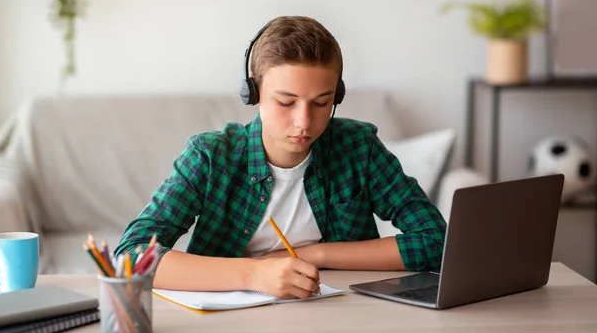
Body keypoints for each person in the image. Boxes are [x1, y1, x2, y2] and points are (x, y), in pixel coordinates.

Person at [114, 15, 446, 300]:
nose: (304, 122)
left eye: (321, 103)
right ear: (252, 94)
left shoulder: (359, 147)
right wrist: (254, 275)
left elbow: (437, 241)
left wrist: (316, 254)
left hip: (340, 320)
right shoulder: (211, 156)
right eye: (286, 103)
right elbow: (130, 255)